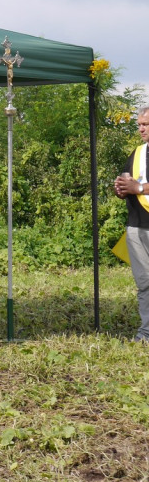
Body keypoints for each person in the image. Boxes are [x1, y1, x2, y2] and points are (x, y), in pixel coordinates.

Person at [114, 106, 149, 342]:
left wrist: (139, 188)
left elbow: (138, 186)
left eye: (145, 124)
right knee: (144, 282)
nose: (141, 129)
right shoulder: (137, 153)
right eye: (139, 125)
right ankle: (146, 333)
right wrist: (122, 188)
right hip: (137, 225)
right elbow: (128, 181)